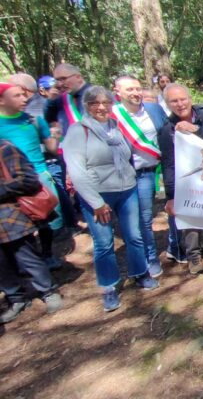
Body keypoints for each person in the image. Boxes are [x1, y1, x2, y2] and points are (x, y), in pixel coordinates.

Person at [62, 86, 159, 312]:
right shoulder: (78, 131)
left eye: (106, 102)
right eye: (95, 103)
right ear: (86, 106)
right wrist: (96, 202)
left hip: (127, 189)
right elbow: (76, 171)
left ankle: (140, 273)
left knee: (134, 235)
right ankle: (108, 287)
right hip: (98, 195)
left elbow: (127, 158)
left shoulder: (115, 127)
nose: (101, 107)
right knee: (104, 243)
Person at [158, 84, 203, 274]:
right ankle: (194, 256)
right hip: (187, 178)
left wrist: (194, 129)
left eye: (183, 99)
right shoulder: (166, 129)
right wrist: (171, 196)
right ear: (167, 104)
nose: (180, 104)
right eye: (174, 101)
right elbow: (168, 164)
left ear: (190, 99)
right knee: (190, 213)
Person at [0, 82, 65, 269]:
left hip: (37, 178)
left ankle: (48, 254)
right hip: (7, 183)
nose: (24, 99)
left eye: (23, 94)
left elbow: (52, 148)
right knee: (15, 226)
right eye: (17, 96)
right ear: (2, 100)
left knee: (45, 220)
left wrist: (56, 135)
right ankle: (21, 264)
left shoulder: (34, 120)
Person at [0, 140, 63, 323]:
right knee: (1, 266)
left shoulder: (6, 149)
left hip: (10, 218)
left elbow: (27, 180)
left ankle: (48, 291)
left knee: (27, 257)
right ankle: (16, 298)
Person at [113, 75, 168, 278]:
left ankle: (151, 258)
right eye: (130, 89)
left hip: (149, 173)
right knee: (129, 220)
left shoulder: (153, 109)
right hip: (123, 174)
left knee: (144, 218)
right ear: (118, 92)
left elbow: (168, 132)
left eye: (137, 88)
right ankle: (137, 259)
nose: (135, 93)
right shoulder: (112, 114)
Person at [44, 63, 91, 138]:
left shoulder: (96, 94)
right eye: (57, 80)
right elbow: (48, 120)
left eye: (63, 79)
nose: (59, 84)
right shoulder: (60, 98)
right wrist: (50, 100)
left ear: (78, 77)